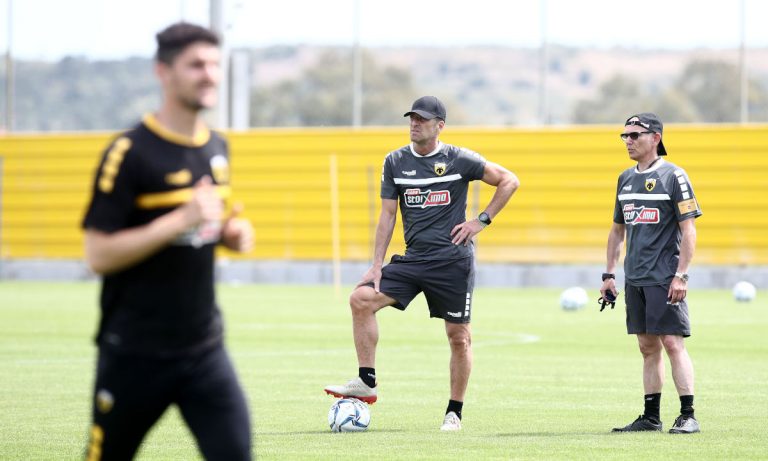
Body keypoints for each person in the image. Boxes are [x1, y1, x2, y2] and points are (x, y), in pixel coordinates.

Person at [81, 22, 254, 460]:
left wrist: (227, 236)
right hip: (134, 352)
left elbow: (199, 230)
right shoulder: (128, 152)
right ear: (163, 72)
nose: (209, 75)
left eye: (214, 64)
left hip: (204, 350)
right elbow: (98, 254)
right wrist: (181, 219)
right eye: (196, 65)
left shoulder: (218, 147)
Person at [324, 96, 520, 431]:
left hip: (452, 262)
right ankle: (366, 381)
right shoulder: (395, 161)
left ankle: (454, 412)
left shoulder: (459, 158)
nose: (414, 124)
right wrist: (376, 264)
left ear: (439, 126)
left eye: (422, 119)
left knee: (459, 338)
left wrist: (481, 221)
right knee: (361, 299)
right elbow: (387, 215)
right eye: (412, 118)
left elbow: (510, 180)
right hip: (413, 259)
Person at [601, 113, 703, 435]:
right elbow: (617, 232)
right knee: (647, 347)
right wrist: (609, 274)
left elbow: (689, 230)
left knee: (672, 342)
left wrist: (681, 275)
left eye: (635, 135)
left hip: (665, 277)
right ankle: (651, 417)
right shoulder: (624, 179)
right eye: (625, 136)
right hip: (635, 278)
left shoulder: (674, 176)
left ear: (656, 138)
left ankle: (688, 415)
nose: (628, 141)